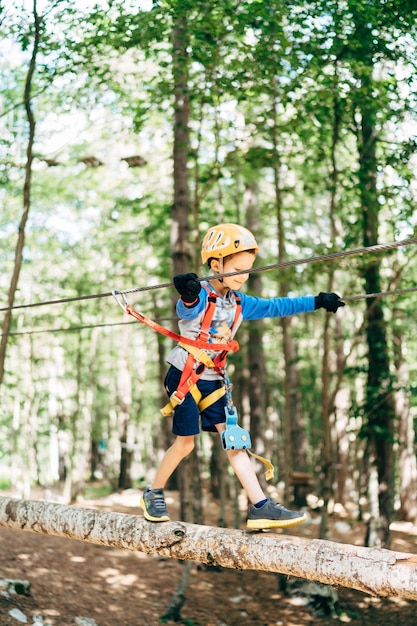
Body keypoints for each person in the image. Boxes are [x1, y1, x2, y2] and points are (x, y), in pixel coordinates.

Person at [140, 223, 345, 529]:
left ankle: (260, 506)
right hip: (184, 377)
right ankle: (153, 492)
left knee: (234, 442)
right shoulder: (199, 294)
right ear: (215, 265)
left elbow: (278, 306)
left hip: (213, 380)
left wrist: (317, 301)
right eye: (236, 269)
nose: (242, 276)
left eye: (247, 271)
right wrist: (187, 292)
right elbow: (186, 310)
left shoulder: (239, 303)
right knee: (185, 444)